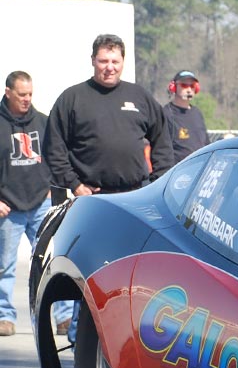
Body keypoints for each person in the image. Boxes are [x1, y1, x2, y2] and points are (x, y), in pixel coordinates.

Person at [46, 34, 176, 342]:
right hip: (91, 200)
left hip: (134, 198)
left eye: (115, 61)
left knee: (133, 270)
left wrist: (158, 183)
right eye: (103, 61)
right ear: (93, 61)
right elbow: (54, 148)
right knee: (89, 267)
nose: (109, 67)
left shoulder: (140, 97)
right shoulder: (72, 99)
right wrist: (75, 184)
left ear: (123, 62)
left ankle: (127, 336)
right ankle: (82, 337)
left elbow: (162, 141)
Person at [0, 72, 70, 337]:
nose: (27, 99)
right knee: (5, 266)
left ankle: (63, 317)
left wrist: (54, 192)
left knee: (53, 260)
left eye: (30, 94)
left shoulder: (43, 122)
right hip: (9, 209)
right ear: (8, 93)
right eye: (21, 95)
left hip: (41, 203)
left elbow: (57, 157)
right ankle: (4, 317)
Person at [164, 69, 209, 160]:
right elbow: (162, 148)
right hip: (179, 169)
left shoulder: (197, 113)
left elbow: (206, 143)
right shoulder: (166, 113)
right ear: (174, 87)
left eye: (192, 86)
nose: (189, 90)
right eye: (184, 85)